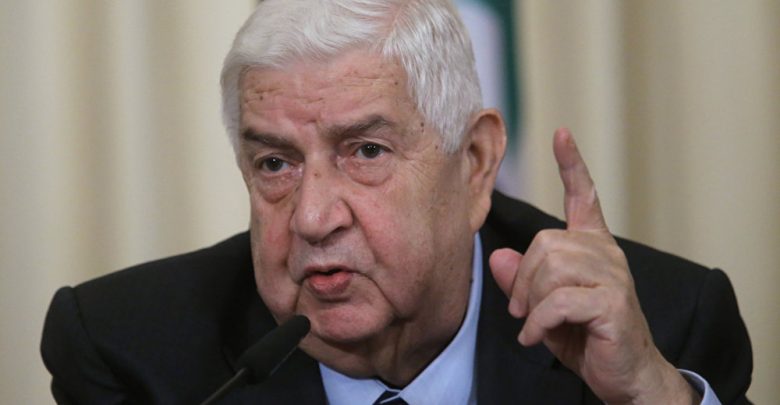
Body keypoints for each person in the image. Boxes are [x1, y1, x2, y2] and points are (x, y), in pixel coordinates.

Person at [41, 0, 752, 404]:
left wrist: (651, 395)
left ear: (475, 164)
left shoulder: (661, 329)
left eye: (366, 151)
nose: (313, 218)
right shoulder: (127, 352)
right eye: (275, 163)